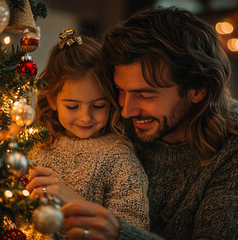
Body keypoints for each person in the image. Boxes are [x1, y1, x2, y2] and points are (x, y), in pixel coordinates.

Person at [60, 7, 238, 240]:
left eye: (146, 95)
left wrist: (119, 234)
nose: (127, 110)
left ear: (198, 89)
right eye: (120, 90)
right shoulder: (110, 112)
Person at [23, 29, 150, 239]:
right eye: (72, 106)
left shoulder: (119, 158)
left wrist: (73, 200)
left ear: (111, 102)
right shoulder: (36, 146)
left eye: (99, 106)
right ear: (53, 100)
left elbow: (132, 226)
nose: (85, 118)